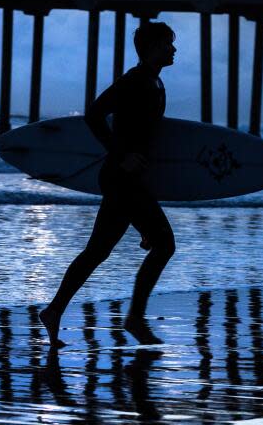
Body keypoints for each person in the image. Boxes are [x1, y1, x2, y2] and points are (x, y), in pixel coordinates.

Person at [39, 21, 178, 348]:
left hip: (128, 180)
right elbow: (94, 114)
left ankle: (54, 311)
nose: (173, 49)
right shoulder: (134, 81)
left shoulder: (156, 82)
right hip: (121, 178)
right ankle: (134, 318)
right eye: (167, 44)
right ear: (152, 47)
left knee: (97, 251)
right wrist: (122, 154)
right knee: (164, 244)